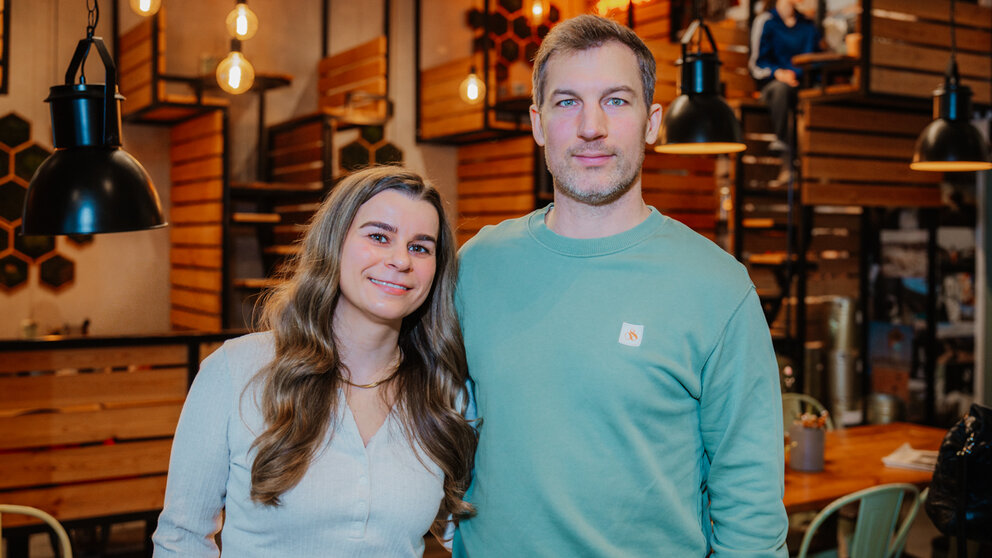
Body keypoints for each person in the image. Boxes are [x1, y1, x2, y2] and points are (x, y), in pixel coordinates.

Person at [453, 14, 788, 557]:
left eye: (616, 100)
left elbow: (749, 504)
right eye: (566, 102)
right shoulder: (478, 266)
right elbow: (426, 411)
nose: (591, 126)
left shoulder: (718, 286)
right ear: (538, 124)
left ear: (652, 121)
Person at [152, 167, 477, 557]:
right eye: (378, 236)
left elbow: (468, 536)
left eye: (420, 247)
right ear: (334, 243)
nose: (399, 260)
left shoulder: (445, 393)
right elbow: (181, 538)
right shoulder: (236, 370)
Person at [749, 0, 821, 157]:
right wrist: (778, 73)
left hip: (803, 84)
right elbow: (756, 64)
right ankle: (783, 145)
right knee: (782, 89)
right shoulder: (766, 21)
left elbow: (817, 58)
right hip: (772, 85)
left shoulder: (808, 25)